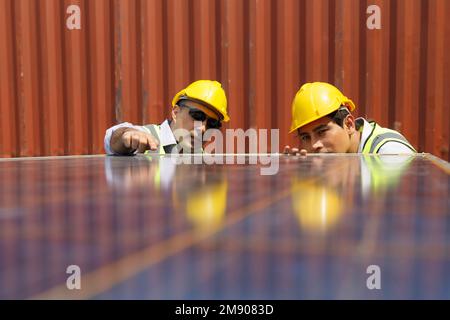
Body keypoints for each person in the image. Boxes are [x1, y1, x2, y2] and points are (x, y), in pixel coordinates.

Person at [284, 82, 416, 155]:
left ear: (349, 125)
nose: (314, 145)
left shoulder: (391, 153)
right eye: (305, 137)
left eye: (321, 132)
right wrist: (300, 174)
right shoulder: (340, 158)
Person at [104, 80, 230, 155]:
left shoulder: (202, 159)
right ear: (175, 113)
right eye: (197, 116)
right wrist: (127, 134)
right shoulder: (149, 137)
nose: (203, 128)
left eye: (212, 124)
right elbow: (114, 139)